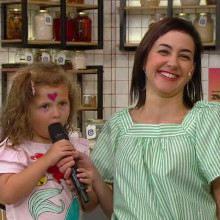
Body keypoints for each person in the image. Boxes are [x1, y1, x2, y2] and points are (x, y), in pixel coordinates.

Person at [59, 17, 220, 219]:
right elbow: (107, 209)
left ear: (192, 71)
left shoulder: (207, 119)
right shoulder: (118, 126)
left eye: (184, 56)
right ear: (144, 59)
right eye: (164, 51)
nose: (172, 62)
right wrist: (92, 177)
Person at [0, 62, 98, 220]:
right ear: (25, 111)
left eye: (62, 104)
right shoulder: (15, 148)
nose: (56, 113)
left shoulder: (76, 148)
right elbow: (7, 195)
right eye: (45, 106)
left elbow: (90, 206)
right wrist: (47, 159)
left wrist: (88, 188)